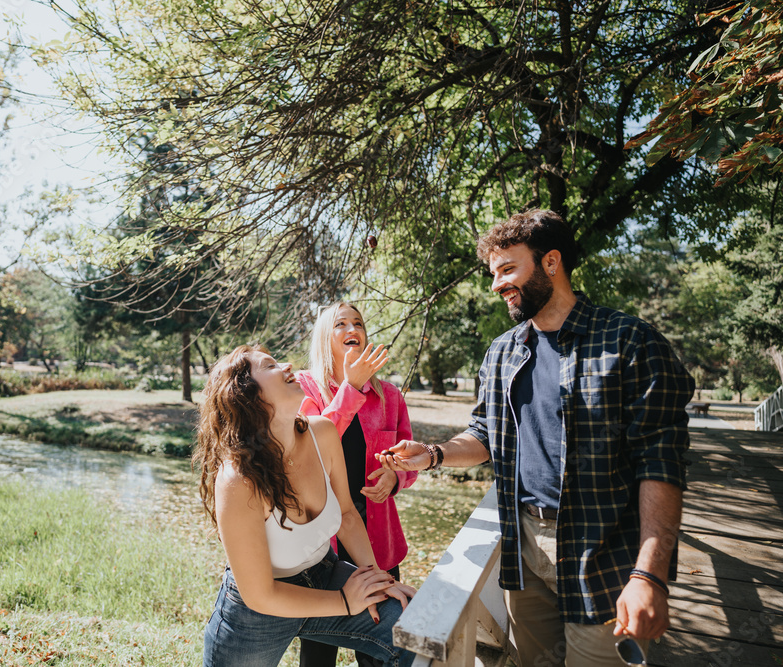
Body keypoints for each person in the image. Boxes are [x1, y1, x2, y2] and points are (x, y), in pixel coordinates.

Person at [377, 210, 693, 667]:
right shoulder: (503, 350)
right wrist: (431, 454)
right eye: (493, 273)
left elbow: (659, 465)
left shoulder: (630, 342)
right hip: (523, 552)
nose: (496, 284)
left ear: (551, 262)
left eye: (508, 269)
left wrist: (650, 574)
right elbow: (487, 433)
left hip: (606, 556)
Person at [195, 344, 417, 667]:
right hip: (256, 615)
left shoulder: (323, 434)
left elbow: (347, 515)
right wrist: (344, 601)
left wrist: (377, 579)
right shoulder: (237, 480)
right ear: (246, 394)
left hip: (323, 573)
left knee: (410, 630)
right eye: (270, 365)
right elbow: (261, 595)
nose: (287, 366)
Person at [295, 302, 418, 667]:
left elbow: (409, 458)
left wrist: (396, 476)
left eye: (359, 323)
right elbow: (308, 449)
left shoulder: (390, 397)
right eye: (341, 324)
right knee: (318, 653)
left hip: (377, 543)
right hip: (323, 547)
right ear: (324, 337)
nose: (353, 328)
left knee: (380, 647)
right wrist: (349, 387)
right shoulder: (304, 388)